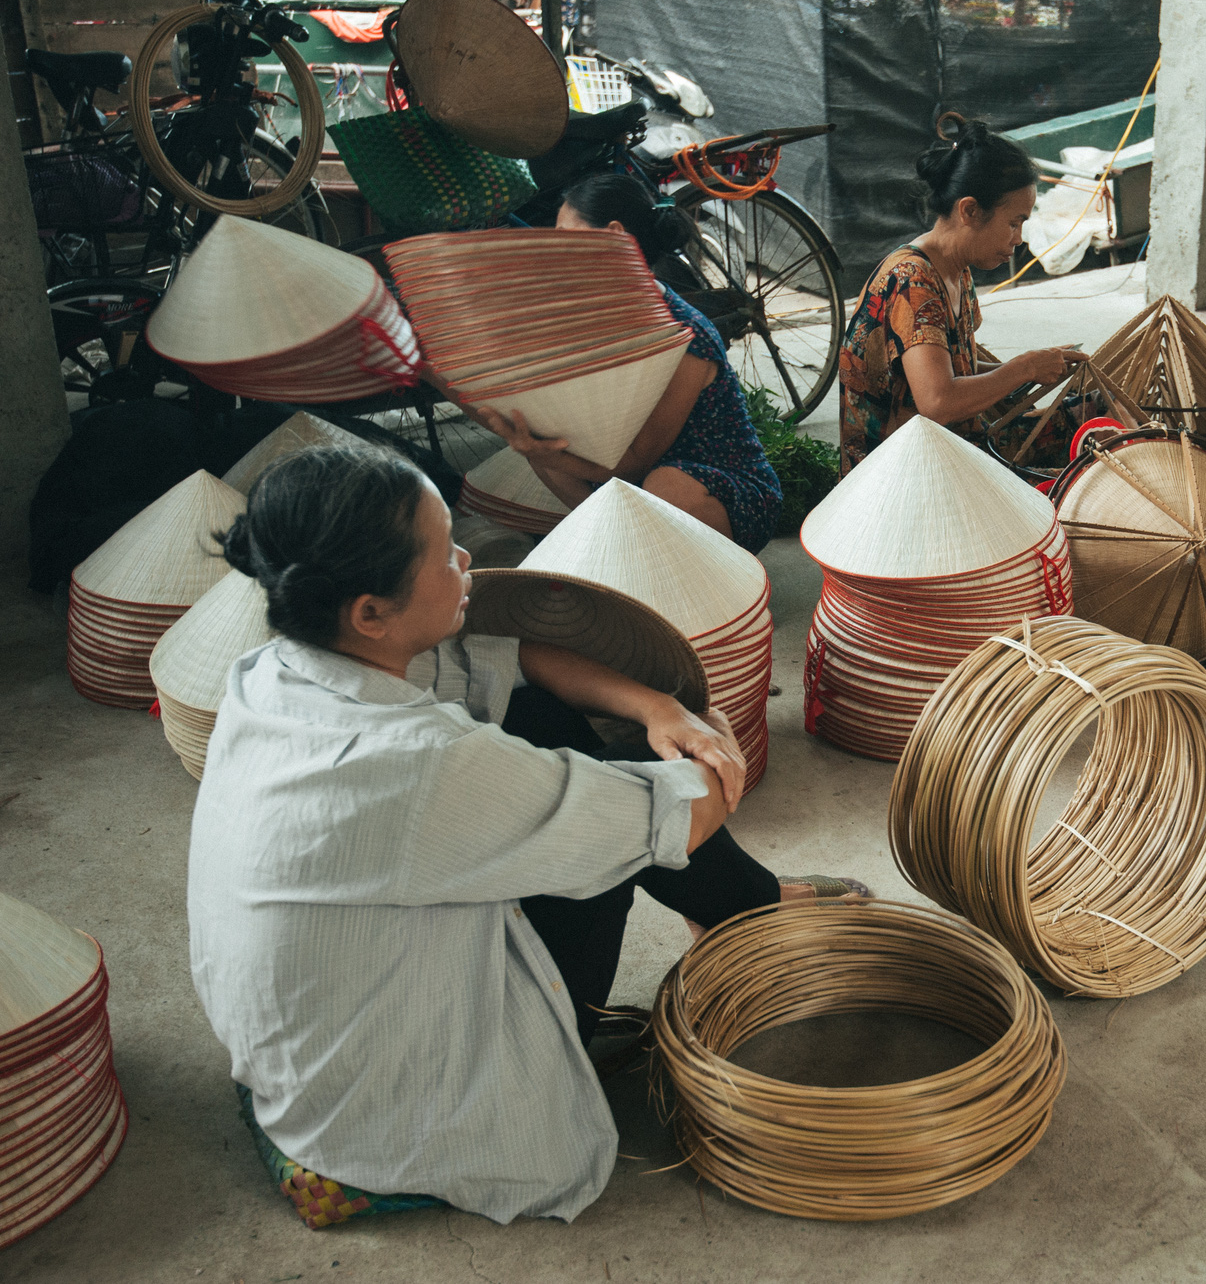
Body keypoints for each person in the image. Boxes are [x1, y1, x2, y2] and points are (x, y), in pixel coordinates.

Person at [188, 446, 863, 1224]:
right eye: (444, 554)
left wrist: (658, 707)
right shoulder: (417, 766)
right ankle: (745, 906)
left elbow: (506, 662)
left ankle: (743, 902)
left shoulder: (275, 672)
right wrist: (718, 738)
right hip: (385, 1112)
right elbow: (675, 813)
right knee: (617, 828)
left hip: (301, 1063)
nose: (466, 557)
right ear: (369, 611)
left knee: (545, 723)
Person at [471, 175, 782, 553]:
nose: (554, 249)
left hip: (717, 490)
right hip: (631, 480)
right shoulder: (585, 318)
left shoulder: (686, 336)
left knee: (662, 484)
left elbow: (636, 463)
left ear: (614, 235)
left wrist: (548, 454)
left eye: (565, 235)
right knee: (541, 437)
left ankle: (650, 549)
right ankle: (623, 542)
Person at [836, 111, 1079, 472]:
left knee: (1088, 413)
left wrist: (1031, 370)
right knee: (1072, 483)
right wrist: (1023, 367)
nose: (1018, 239)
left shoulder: (957, 271)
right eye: (1014, 223)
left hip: (951, 449)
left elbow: (952, 370)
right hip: (904, 476)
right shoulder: (912, 282)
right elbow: (938, 400)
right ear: (969, 210)